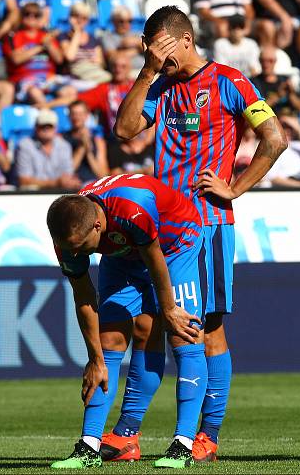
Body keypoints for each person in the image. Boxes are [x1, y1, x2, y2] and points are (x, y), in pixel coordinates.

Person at [113, 6, 287, 465]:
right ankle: (126, 435)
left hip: (207, 225)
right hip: (160, 229)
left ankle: (205, 435)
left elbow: (275, 139)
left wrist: (236, 187)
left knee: (205, 330)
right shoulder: (161, 86)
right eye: (149, 53)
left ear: (183, 40)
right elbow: (125, 130)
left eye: (159, 50)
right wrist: (148, 71)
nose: (156, 58)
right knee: (149, 326)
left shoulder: (230, 81)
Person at [46, 174, 208, 469]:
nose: (76, 253)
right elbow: (84, 296)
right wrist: (95, 359)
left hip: (175, 244)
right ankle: (89, 446)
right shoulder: (69, 238)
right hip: (122, 254)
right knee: (109, 341)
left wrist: (169, 308)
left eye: (82, 247)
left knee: (184, 333)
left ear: (97, 226)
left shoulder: (133, 206)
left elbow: (154, 255)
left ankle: (183, 443)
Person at [3, 2, 75, 108]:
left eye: (36, 15)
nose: (32, 17)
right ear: (21, 16)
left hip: (49, 78)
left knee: (70, 91)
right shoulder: (13, 37)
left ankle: (46, 107)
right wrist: (41, 46)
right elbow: (16, 59)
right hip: (25, 80)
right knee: (34, 92)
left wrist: (49, 44)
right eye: (27, 14)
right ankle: (48, 116)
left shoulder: (47, 36)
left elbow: (59, 60)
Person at [15, 109, 80, 190]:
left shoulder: (64, 146)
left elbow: (68, 176)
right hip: (32, 195)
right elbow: (23, 181)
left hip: (58, 193)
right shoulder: (24, 145)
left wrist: (69, 182)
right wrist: (56, 183)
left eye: (49, 126)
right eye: (42, 126)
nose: (46, 129)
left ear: (55, 128)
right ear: (36, 127)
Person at [75, 53, 135, 138]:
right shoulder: (104, 89)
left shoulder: (139, 87)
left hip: (141, 139)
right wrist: (50, 104)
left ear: (129, 68)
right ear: (110, 68)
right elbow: (75, 99)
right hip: (115, 141)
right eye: (115, 66)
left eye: (123, 66)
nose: (118, 70)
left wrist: (145, 141)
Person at [59, 2, 111, 89]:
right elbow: (70, 57)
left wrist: (93, 61)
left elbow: (100, 62)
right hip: (75, 74)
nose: (79, 20)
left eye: (84, 18)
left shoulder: (94, 39)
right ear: (70, 17)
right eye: (76, 16)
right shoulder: (64, 36)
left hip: (92, 71)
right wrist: (77, 33)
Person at [263, 113, 300, 187]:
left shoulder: (299, 146)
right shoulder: (272, 149)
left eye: (290, 128)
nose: (287, 131)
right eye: (283, 127)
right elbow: (273, 178)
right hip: (286, 188)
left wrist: (299, 128)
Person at [64, 100, 108, 184]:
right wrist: (82, 147)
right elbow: (67, 171)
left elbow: (103, 174)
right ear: (69, 116)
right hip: (72, 185)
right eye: (74, 114)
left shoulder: (98, 141)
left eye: (80, 114)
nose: (76, 117)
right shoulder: (62, 139)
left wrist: (89, 152)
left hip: (93, 184)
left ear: (87, 115)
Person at [251, 46, 300, 113]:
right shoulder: (254, 83)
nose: (266, 64)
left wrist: (291, 95)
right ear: (259, 61)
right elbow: (257, 110)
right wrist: (278, 95)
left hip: (290, 118)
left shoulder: (285, 80)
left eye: (270, 61)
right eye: (263, 60)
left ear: (275, 61)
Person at [99, 6, 145, 74]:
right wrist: (136, 50)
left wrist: (136, 42)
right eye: (121, 21)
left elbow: (150, 50)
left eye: (129, 21)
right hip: (125, 74)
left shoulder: (138, 34)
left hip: (144, 70)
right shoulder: (107, 37)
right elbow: (114, 58)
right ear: (114, 21)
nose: (126, 24)